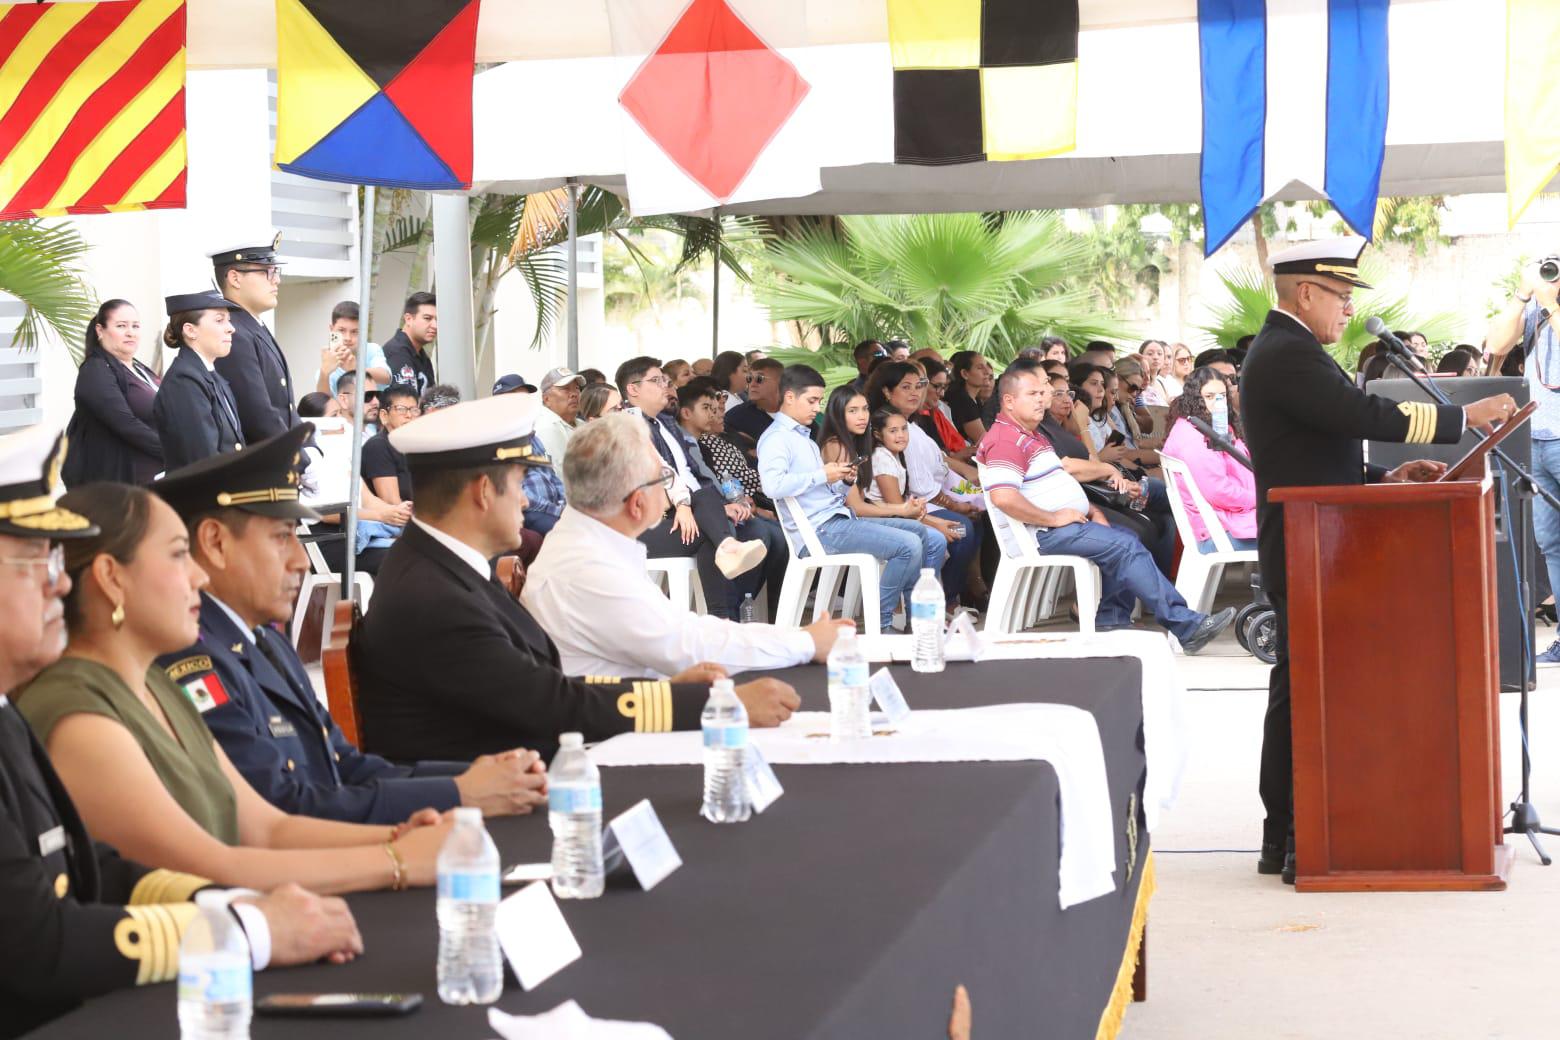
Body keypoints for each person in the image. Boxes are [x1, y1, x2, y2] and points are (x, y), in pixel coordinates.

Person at [0, 425, 363, 1039]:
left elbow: (96, 872)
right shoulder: (64, 703)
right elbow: (37, 941)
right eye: (35, 562)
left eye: (57, 564)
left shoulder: (9, 714)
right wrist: (248, 931)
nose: (59, 583)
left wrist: (229, 908)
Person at [16, 481, 455, 895]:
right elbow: (211, 865)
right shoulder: (79, 713)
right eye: (177, 555)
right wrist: (395, 860)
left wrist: (403, 836)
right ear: (112, 578)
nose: (199, 577)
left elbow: (266, 828)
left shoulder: (153, 683)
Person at [1241, 237, 1514, 883]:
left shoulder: (1296, 350)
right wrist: (1459, 418)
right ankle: (1290, 832)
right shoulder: (1285, 351)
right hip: (1306, 544)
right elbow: (1356, 412)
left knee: (1303, 686)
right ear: (1304, 292)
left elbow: (1315, 451)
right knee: (1301, 688)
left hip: (1318, 534)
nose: (1346, 310)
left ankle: (1292, 833)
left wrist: (1378, 482)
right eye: (1339, 297)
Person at [353, 394, 798, 760]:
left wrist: (658, 691)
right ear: (484, 492)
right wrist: (714, 704)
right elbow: (549, 704)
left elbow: (540, 685)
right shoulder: (433, 594)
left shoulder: (441, 565)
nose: (526, 503)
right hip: (490, 806)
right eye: (519, 483)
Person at [149, 427, 546, 824]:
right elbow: (282, 807)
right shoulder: (193, 658)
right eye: (282, 537)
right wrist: (460, 793)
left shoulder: (263, 637)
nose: (300, 560)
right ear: (216, 543)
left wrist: (479, 777)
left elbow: (344, 767)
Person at [525, 415, 845, 677]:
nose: (671, 486)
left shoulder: (589, 541)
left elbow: (682, 632)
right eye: (664, 479)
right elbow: (688, 646)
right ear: (637, 504)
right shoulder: (590, 567)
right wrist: (804, 642)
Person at [977, 364, 1235, 649]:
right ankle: (1186, 624)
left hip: (1062, 524)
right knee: (1124, 545)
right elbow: (1004, 498)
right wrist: (1053, 518)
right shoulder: (1005, 440)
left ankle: (1112, 617)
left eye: (1042, 392)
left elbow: (1059, 476)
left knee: (1125, 537)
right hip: (1040, 533)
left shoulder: (1031, 435)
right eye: (1033, 393)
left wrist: (1096, 503)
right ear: (1009, 401)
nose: (1042, 398)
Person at [760, 365, 933, 630]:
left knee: (918, 532)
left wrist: (843, 482)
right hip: (819, 530)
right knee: (907, 545)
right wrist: (823, 475)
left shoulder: (802, 436)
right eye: (812, 401)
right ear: (790, 397)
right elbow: (772, 486)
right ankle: (881, 625)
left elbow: (823, 491)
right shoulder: (777, 438)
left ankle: (915, 620)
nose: (817, 408)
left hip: (835, 519)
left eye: (819, 400)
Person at [617, 356, 768, 620]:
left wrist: (695, 504)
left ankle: (723, 617)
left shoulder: (665, 424)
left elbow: (686, 473)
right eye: (656, 380)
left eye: (664, 380)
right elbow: (657, 474)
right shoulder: (625, 426)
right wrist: (684, 505)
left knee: (726, 527)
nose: (665, 385)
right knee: (712, 528)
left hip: (683, 510)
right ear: (633, 389)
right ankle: (725, 616)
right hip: (640, 526)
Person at [1033, 367, 1173, 571]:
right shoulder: (1043, 431)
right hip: (1083, 499)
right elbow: (1078, 465)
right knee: (1141, 528)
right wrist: (1082, 425)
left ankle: (1162, 581)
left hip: (1103, 488)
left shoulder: (1067, 427)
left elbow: (1099, 460)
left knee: (1164, 520)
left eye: (1068, 394)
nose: (1066, 400)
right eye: (1057, 394)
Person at [867, 362, 982, 608]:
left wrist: (968, 493)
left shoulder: (913, 426)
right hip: (914, 505)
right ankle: (946, 600)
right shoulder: (892, 429)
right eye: (905, 387)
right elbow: (920, 488)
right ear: (887, 392)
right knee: (962, 529)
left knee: (978, 519)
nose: (915, 393)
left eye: (919, 386)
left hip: (926, 501)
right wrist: (955, 505)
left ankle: (961, 593)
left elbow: (941, 466)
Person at [670, 378, 789, 616]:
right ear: (685, 413)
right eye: (707, 408)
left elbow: (717, 483)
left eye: (715, 409)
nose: (714, 414)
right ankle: (733, 610)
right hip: (697, 514)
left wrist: (736, 501)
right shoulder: (679, 444)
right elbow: (695, 487)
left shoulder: (703, 444)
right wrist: (728, 504)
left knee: (778, 537)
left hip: (722, 507)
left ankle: (762, 609)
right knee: (759, 533)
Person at [62, 300, 164, 487]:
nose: (130, 332)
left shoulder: (139, 368)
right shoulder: (96, 371)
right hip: (123, 484)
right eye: (121, 326)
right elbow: (126, 425)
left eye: (135, 326)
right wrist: (171, 449)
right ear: (100, 330)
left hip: (158, 474)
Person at [209, 233, 300, 442]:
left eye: (275, 271)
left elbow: (286, 407)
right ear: (234, 278)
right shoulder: (234, 332)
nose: (276, 279)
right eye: (266, 272)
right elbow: (258, 416)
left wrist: (309, 445)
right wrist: (299, 457)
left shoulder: (252, 325)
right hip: (262, 462)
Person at [1160, 367, 1258, 552]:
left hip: (1229, 521)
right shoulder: (1193, 438)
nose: (1217, 403)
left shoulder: (1205, 426)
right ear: (1195, 398)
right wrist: (1261, 498)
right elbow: (1218, 492)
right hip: (1220, 532)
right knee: (1294, 530)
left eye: (1221, 396)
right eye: (1209, 396)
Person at [152, 291, 247, 471]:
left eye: (229, 320)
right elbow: (203, 459)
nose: (231, 328)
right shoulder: (184, 381)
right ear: (190, 330)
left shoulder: (210, 375)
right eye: (219, 320)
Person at [313, 301, 389, 394]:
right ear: (331, 329)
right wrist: (324, 374)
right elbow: (323, 403)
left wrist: (356, 370)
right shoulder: (327, 364)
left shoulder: (371, 349)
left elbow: (386, 377)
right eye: (341, 330)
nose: (347, 338)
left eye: (354, 332)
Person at [361, 384, 418, 505]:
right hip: (390, 521)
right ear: (384, 415)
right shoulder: (378, 447)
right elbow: (392, 503)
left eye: (414, 410)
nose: (409, 415)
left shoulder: (416, 445)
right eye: (401, 409)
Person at [382, 292, 438, 398]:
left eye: (436, 320)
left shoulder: (421, 356)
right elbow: (404, 407)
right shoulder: (397, 353)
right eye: (427, 318)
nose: (435, 326)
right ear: (408, 319)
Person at [724, 357, 781, 449]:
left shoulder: (798, 415)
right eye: (749, 378)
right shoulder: (735, 417)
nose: (752, 384)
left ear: (780, 383)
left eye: (759, 378)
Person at [536, 366, 587, 460]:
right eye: (565, 389)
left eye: (576, 388)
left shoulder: (583, 425)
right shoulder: (545, 428)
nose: (574, 394)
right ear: (546, 399)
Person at [944, 350, 994, 444]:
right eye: (980, 368)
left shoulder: (975, 399)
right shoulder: (962, 400)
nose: (987, 372)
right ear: (965, 374)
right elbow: (983, 441)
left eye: (986, 366)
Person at [334, 370, 380, 436]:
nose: (376, 402)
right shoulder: (335, 439)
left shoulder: (370, 434)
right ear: (344, 400)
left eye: (378, 395)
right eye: (367, 396)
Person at [1138, 340, 1169, 406]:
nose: (1155, 357)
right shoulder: (1138, 383)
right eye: (1150, 354)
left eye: (1159, 354)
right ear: (1140, 357)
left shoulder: (1161, 383)